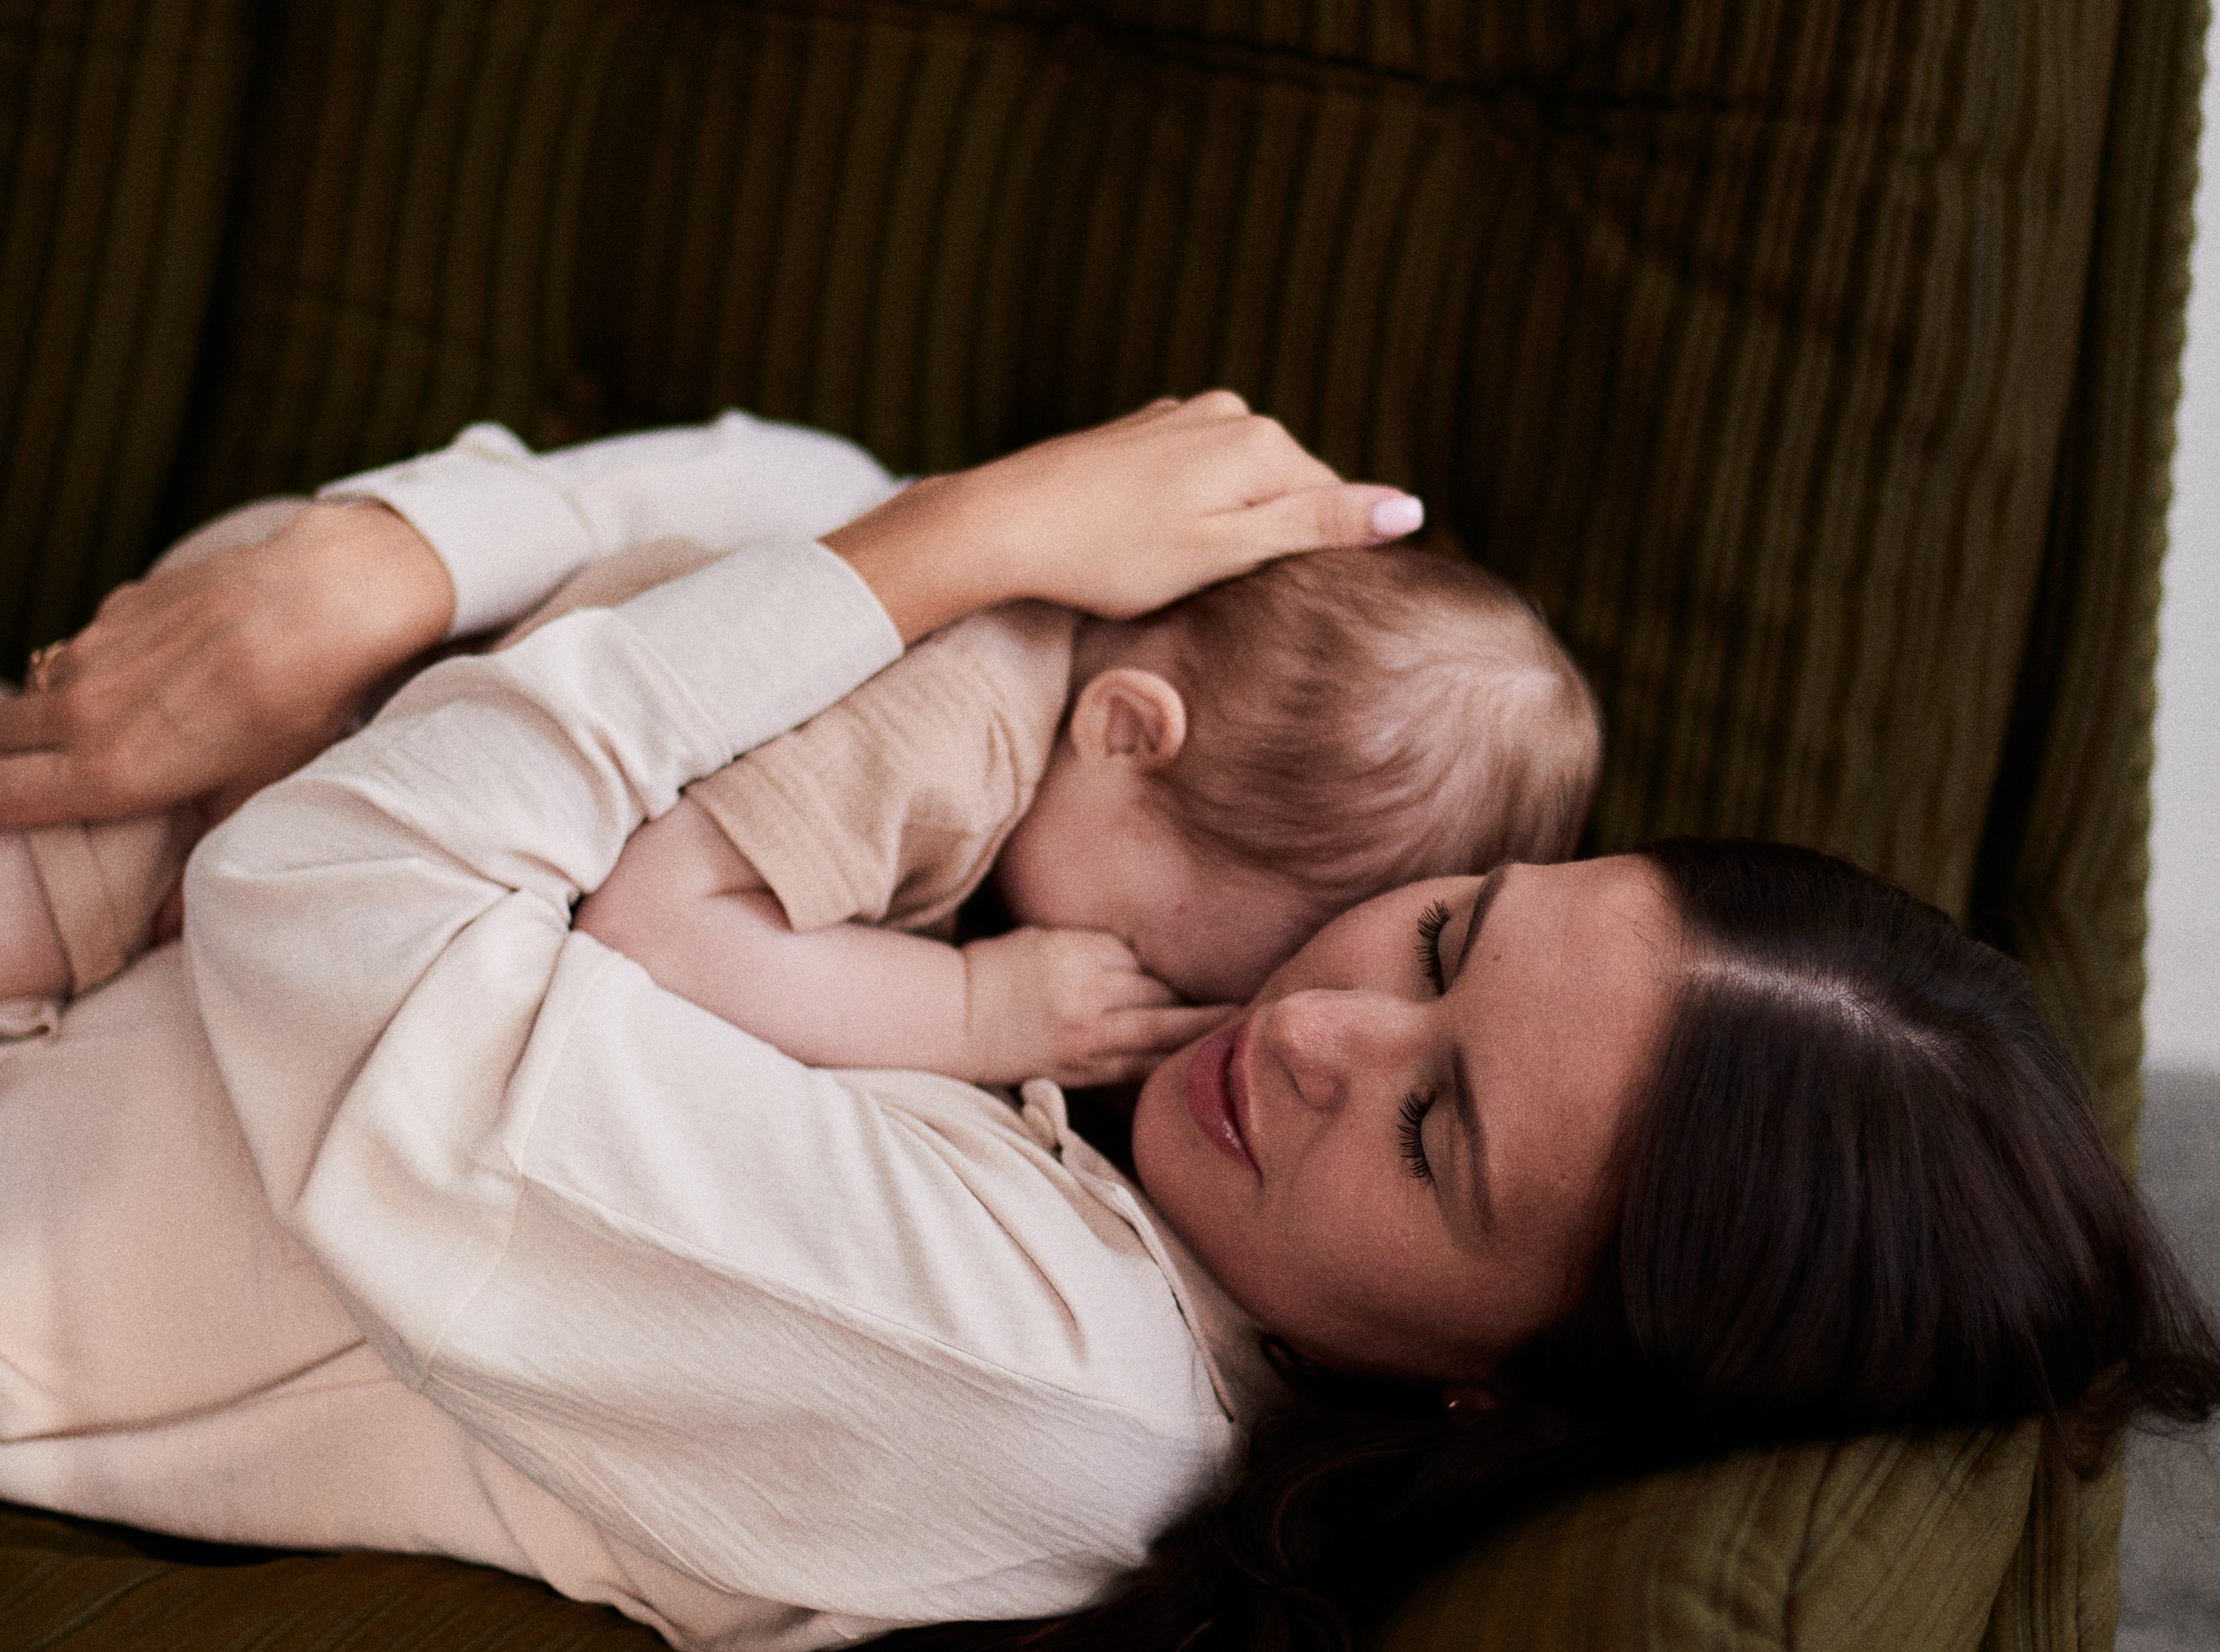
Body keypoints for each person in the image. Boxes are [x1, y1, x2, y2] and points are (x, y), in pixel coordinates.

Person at [1, 397, 2215, 1652]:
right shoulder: (1125, 1077)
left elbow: (334, 890)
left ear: (1502, 1391)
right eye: (1445, 937)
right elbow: (808, 484)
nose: (1320, 1025)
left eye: (1435, 1133)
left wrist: (970, 535)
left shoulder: (1039, 1375)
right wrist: (388, 563)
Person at [0, 482, 1601, 1093]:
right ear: (1127, 732)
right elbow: (652, 924)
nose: (1159, 993)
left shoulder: (1021, 678)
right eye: (1183, 956)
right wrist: (976, 1015)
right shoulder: (952, 730)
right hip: (285, 742)